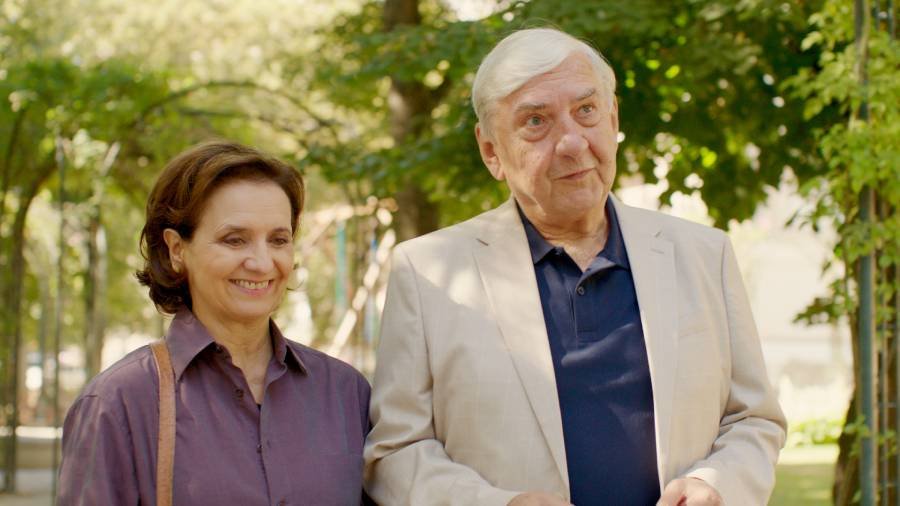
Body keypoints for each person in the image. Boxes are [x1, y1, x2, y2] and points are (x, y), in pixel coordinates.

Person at [364, 28, 785, 506]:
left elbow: (753, 419)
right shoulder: (427, 273)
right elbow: (395, 453)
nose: (571, 142)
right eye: (536, 121)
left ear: (613, 118)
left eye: (586, 110)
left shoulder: (706, 255)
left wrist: (716, 485)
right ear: (491, 151)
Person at [58, 141, 370, 505]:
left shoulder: (347, 394)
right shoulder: (118, 404)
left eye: (278, 240)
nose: (261, 263)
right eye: (234, 240)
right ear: (177, 250)